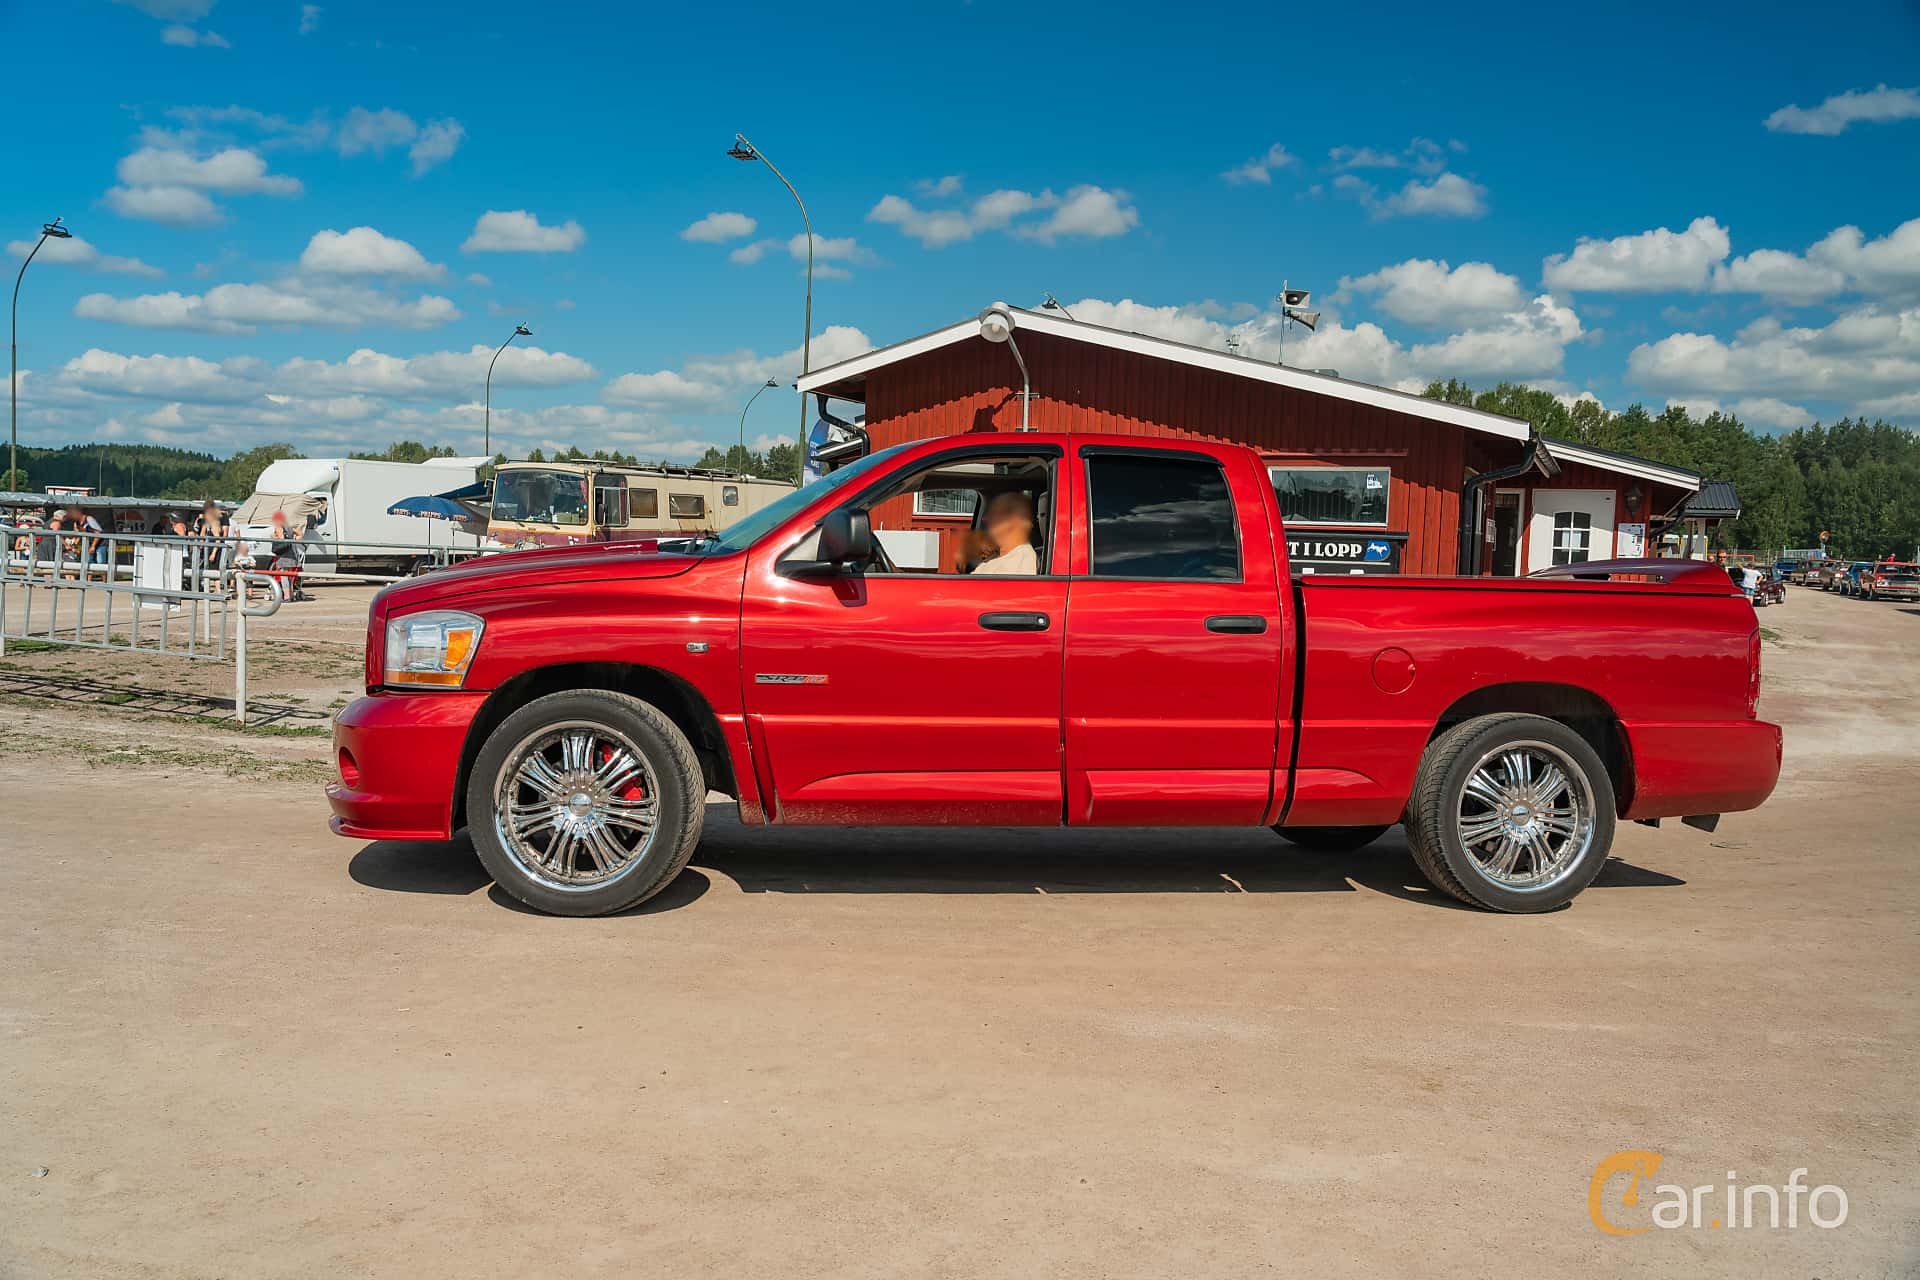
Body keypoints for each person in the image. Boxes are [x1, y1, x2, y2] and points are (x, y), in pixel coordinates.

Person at [969, 491, 1040, 576]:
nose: (985, 518)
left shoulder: (1020, 561)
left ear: (1013, 521)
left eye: (995, 513)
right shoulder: (1007, 558)